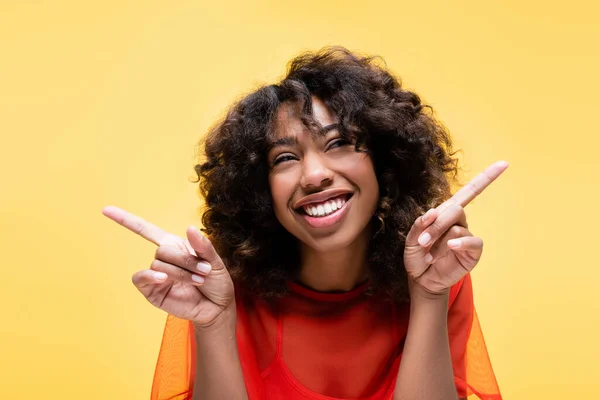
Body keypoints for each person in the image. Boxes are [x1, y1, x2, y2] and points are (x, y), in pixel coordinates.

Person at [103, 47, 506, 400]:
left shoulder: (436, 273)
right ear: (262, 190)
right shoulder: (223, 288)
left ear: (385, 166)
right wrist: (213, 321)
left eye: (338, 144)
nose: (314, 175)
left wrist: (431, 294)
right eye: (284, 158)